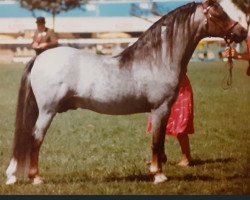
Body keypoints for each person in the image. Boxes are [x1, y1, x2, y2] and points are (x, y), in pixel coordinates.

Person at [147, 68, 194, 167]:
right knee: (158, 124)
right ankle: (159, 156)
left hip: (179, 89)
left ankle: (187, 158)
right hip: (163, 86)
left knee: (180, 125)